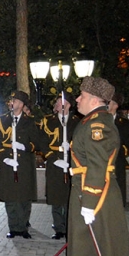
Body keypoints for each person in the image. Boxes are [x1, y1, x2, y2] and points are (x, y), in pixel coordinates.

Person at [68, 77, 129, 256]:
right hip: (92, 192)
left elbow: (97, 166)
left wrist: (90, 203)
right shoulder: (93, 120)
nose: (77, 99)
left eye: (81, 96)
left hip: (99, 196)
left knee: (105, 248)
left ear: (94, 100)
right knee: (99, 247)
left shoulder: (99, 125)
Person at [0, 90, 42, 239]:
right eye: (11, 100)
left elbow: (37, 143)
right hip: (9, 164)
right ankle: (13, 227)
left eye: (14, 101)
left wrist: (24, 147)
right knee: (10, 197)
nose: (11, 103)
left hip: (24, 164)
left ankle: (23, 227)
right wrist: (5, 158)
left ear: (21, 104)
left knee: (24, 197)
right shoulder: (2, 120)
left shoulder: (29, 122)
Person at [39, 94, 80, 240]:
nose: (56, 104)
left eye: (59, 102)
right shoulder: (48, 121)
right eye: (56, 102)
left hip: (72, 162)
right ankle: (58, 228)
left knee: (70, 196)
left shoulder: (77, 121)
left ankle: (70, 227)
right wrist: (52, 157)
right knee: (56, 196)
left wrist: (71, 148)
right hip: (55, 162)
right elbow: (42, 141)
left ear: (68, 104)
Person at [107, 93, 129, 207]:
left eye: (108, 102)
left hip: (117, 163)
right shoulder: (97, 119)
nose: (106, 105)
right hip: (100, 163)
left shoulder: (124, 124)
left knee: (116, 195)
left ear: (116, 105)